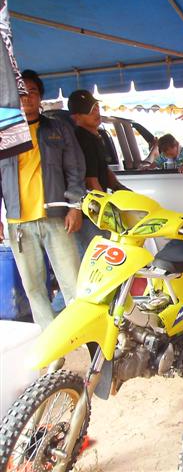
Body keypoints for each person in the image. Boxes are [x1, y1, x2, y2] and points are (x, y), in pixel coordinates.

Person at [0, 70, 85, 329]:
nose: (27, 97)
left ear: (40, 98)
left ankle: (81, 337)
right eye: (21, 93)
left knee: (73, 284)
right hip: (19, 223)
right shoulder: (5, 134)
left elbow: (75, 169)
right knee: (34, 289)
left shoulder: (58, 128)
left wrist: (75, 206)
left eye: (32, 92)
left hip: (57, 219)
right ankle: (50, 341)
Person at [68, 89, 126, 253]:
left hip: (97, 209)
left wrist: (120, 188)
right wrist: (107, 211)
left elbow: (104, 170)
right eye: (89, 110)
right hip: (89, 214)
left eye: (96, 107)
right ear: (76, 117)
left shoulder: (95, 137)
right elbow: (90, 181)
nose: (95, 112)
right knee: (97, 256)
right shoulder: (81, 139)